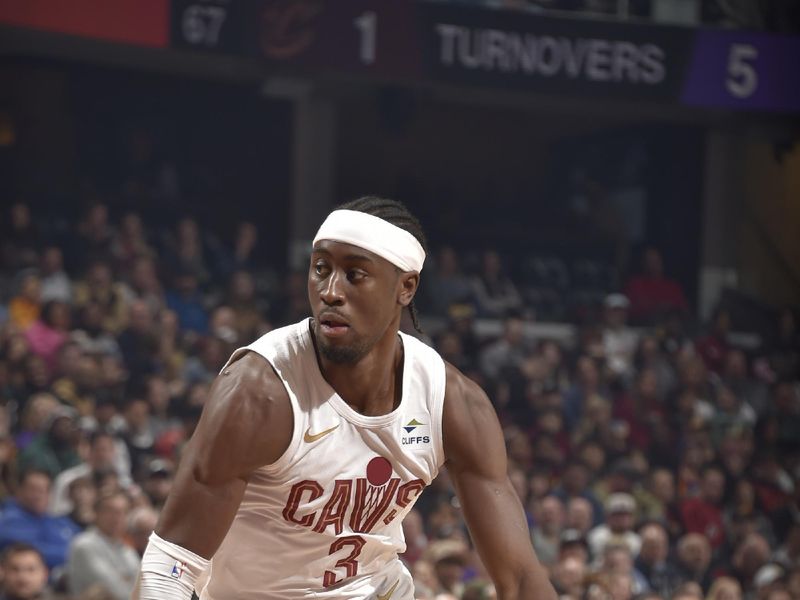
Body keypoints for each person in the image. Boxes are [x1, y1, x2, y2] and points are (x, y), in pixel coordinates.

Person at [135, 197, 556, 599]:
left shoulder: (451, 403)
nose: (330, 291)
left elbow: (519, 578)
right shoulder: (260, 393)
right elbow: (169, 565)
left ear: (406, 287)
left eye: (355, 274)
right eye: (320, 269)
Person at [66, 491, 140, 600]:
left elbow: (144, 586)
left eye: (123, 512)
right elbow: (113, 591)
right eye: (110, 511)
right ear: (96, 514)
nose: (117, 517)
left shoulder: (128, 550)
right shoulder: (84, 545)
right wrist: (126, 580)